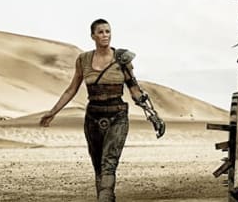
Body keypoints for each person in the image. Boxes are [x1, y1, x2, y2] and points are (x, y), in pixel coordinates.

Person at [40, 19, 165, 202]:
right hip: (93, 117)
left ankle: (105, 198)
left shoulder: (122, 59)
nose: (105, 35)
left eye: (108, 31)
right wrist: (53, 112)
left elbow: (135, 89)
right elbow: (71, 89)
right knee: (98, 166)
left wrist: (153, 115)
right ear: (93, 36)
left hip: (117, 116)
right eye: (101, 32)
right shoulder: (83, 60)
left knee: (109, 164)